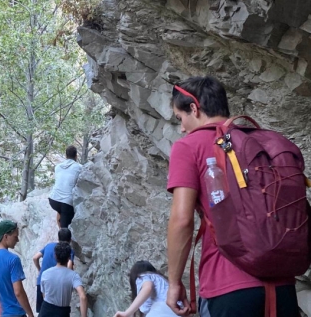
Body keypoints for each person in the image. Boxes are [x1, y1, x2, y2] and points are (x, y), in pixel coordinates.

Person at [166, 76, 299, 317]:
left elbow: (182, 220)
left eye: (180, 118)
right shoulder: (259, 142)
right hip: (283, 286)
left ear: (194, 109)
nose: (183, 128)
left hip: (227, 286)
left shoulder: (189, 146)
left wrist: (174, 282)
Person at [39, 242, 87, 317]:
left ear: (55, 255)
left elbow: (44, 295)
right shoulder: (73, 275)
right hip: (62, 312)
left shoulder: (45, 273)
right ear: (69, 257)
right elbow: (83, 297)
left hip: (45, 310)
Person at [33, 228, 75, 313]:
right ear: (70, 240)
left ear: (58, 238)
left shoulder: (48, 246)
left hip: (41, 282)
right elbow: (69, 267)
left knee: (42, 312)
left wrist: (40, 270)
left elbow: (35, 257)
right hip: (55, 285)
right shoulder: (69, 250)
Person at [113, 261, 178, 317]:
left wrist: (126, 313)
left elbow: (147, 288)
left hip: (162, 310)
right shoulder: (164, 281)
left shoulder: (142, 277)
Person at [49, 145, 82, 228]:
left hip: (53, 200)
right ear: (76, 156)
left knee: (60, 210)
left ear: (66, 156)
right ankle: (64, 237)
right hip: (67, 202)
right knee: (66, 224)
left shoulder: (57, 167)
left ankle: (61, 230)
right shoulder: (79, 167)